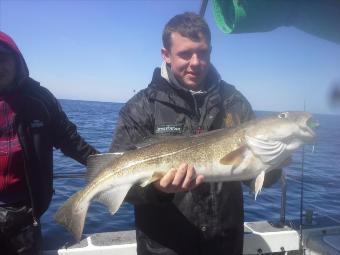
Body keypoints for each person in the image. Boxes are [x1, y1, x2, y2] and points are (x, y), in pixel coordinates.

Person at [110, 12, 281, 255]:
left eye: (203, 53)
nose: (195, 62)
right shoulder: (141, 108)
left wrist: (275, 160)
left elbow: (256, 177)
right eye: (185, 53)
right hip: (165, 248)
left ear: (211, 52)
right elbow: (121, 186)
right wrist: (158, 191)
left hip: (224, 245)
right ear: (166, 55)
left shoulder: (234, 102)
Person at [0, 31, 98, 254]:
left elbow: (71, 140)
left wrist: (108, 166)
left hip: (24, 212)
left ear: (17, 62)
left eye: (2, 58)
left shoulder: (40, 99)